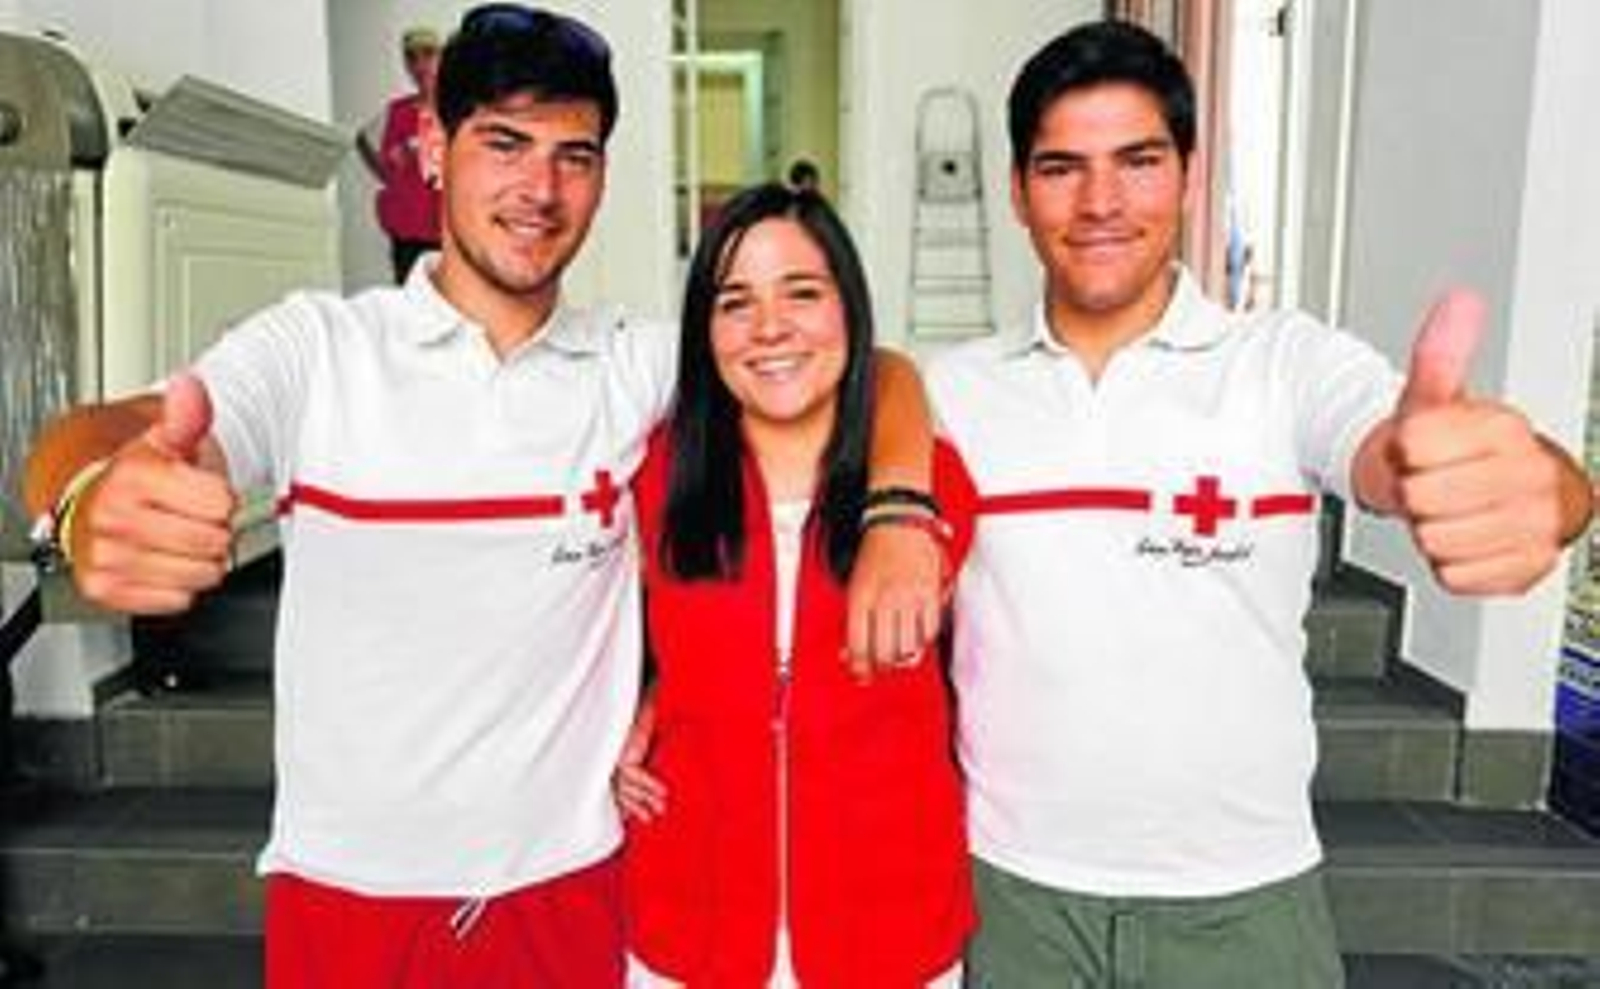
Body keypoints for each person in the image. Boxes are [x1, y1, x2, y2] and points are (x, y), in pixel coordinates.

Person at [21, 6, 942, 987]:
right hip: (351, 892)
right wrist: (87, 498)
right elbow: (107, 430)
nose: (540, 189)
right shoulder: (322, 350)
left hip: (568, 890)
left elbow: (865, 365)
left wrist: (896, 509)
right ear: (432, 145)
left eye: (573, 155)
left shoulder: (629, 365)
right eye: (504, 143)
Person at [925, 20, 1595, 989]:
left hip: (1243, 900)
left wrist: (1532, 481)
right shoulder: (951, 392)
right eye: (1061, 168)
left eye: (1138, 162)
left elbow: (1396, 448)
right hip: (1013, 894)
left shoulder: (1284, 363)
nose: (1101, 201)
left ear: (1191, 176)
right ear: (1018, 191)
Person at [614, 183, 975, 987]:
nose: (770, 327)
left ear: (850, 307)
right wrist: (613, 730)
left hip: (892, 929)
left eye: (802, 293)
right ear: (703, 331)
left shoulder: (934, 485)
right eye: (735, 302)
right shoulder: (652, 477)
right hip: (687, 926)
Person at [356, 26, 442, 283]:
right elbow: (361, 139)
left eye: (428, 54)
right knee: (411, 300)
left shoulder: (459, 108)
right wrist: (387, 176)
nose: (420, 65)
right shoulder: (397, 111)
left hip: (450, 232)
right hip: (408, 235)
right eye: (412, 57)